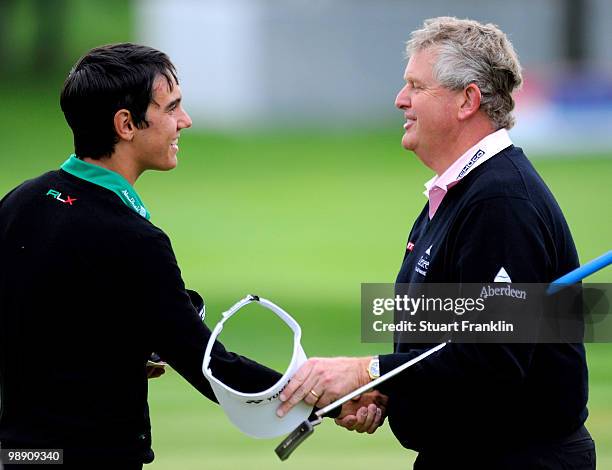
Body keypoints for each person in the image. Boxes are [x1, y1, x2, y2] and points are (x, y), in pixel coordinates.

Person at [277, 17, 596, 469]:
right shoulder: (458, 194)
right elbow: (447, 337)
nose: (399, 99)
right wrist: (387, 388)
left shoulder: (501, 202)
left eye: (415, 86)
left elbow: (494, 361)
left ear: (468, 100)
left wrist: (367, 370)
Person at [0, 43, 287, 469]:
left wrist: (115, 350)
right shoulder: (133, 238)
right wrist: (332, 393)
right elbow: (210, 366)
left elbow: (55, 320)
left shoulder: (18, 201)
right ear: (126, 124)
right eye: (172, 108)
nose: (184, 121)